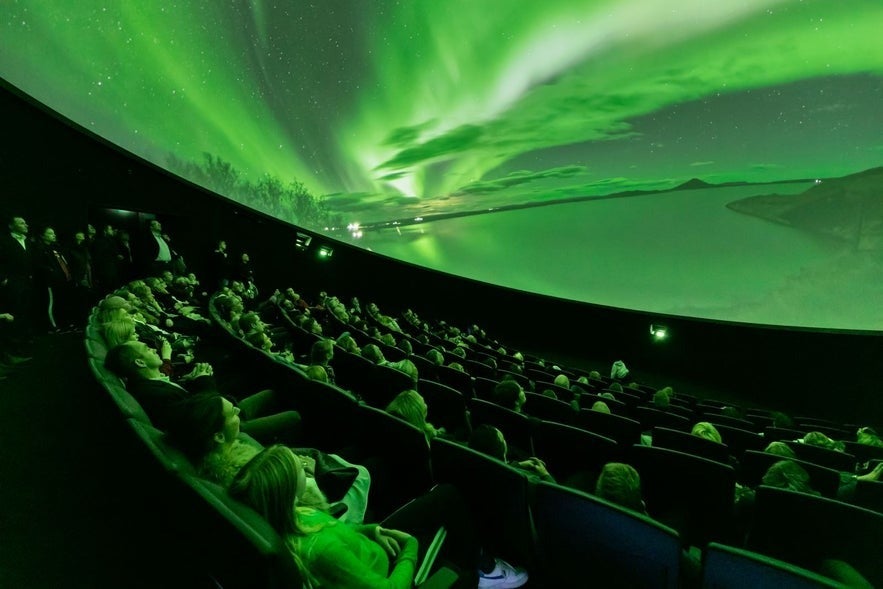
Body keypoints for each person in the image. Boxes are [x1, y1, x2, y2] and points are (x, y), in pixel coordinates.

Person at [229, 445, 529, 588]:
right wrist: (409, 549)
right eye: (299, 467)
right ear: (287, 491)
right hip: (392, 572)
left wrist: (371, 531)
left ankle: (481, 562)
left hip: (370, 549)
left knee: (446, 494)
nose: (303, 463)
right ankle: (478, 574)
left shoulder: (292, 512)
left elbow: (334, 528)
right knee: (449, 516)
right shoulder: (322, 550)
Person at [166, 393, 370, 525]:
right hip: (317, 518)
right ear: (218, 436)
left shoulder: (207, 461)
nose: (238, 411)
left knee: (336, 459)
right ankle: (352, 528)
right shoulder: (248, 477)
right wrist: (308, 473)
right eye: (232, 413)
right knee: (362, 473)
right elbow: (306, 509)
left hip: (292, 489)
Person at [104, 340, 300, 444]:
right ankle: (273, 450)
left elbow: (187, 402)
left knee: (270, 394)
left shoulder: (152, 383)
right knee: (294, 416)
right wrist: (204, 379)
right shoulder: (152, 394)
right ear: (139, 362)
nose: (154, 350)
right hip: (223, 430)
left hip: (224, 410)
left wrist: (193, 381)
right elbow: (203, 419)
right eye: (147, 349)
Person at [468, 425, 554, 483]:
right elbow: (557, 497)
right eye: (503, 440)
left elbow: (498, 468)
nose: (505, 442)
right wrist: (545, 474)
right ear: (502, 451)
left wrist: (518, 465)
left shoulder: (473, 473)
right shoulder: (530, 480)